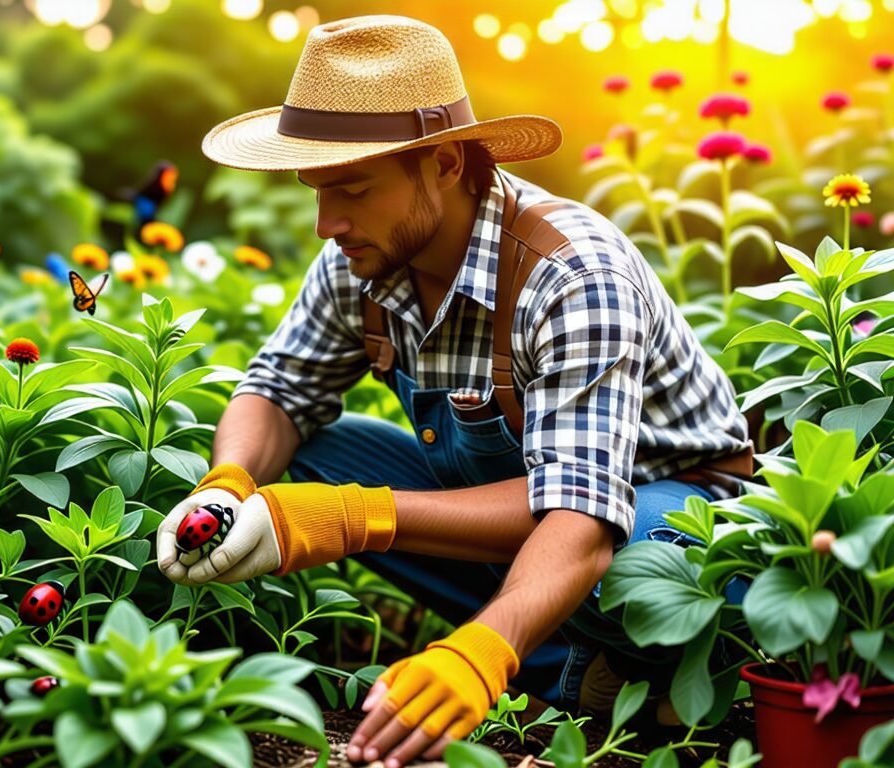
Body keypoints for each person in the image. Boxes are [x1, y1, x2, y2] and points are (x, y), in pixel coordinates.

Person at [155, 14, 752, 768]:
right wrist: (228, 482)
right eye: (316, 192)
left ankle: (576, 668)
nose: (325, 223)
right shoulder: (360, 257)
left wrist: (473, 646)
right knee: (318, 456)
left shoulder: (572, 276)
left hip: (664, 515)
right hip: (517, 507)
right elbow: (279, 388)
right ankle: (587, 674)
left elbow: (581, 516)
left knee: (630, 571)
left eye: (353, 189)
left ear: (440, 162)